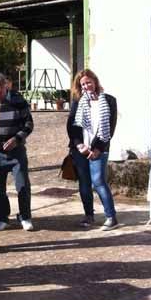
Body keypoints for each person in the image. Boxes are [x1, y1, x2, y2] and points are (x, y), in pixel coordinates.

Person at [66, 69, 118, 230]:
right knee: (84, 183)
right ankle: (89, 215)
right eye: (83, 84)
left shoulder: (109, 100)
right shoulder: (78, 101)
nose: (86, 86)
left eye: (89, 82)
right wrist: (79, 145)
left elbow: (111, 127)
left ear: (95, 82)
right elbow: (71, 126)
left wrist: (98, 149)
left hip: (99, 149)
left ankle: (111, 217)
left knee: (98, 182)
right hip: (80, 149)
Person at [0, 73, 35, 232]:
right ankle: (2, 218)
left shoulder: (17, 99)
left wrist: (17, 139)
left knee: (22, 184)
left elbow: (29, 123)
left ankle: (25, 216)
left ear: (5, 87)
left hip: (16, 150)